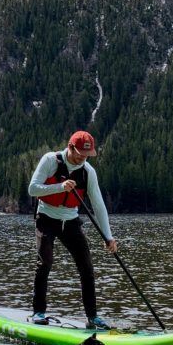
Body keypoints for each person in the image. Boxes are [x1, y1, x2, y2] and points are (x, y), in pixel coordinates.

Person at [27, 130, 117, 329]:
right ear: (70, 148)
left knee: (87, 267)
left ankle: (92, 317)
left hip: (71, 220)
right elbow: (33, 189)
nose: (82, 158)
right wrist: (60, 187)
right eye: (79, 154)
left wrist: (108, 236)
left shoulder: (88, 172)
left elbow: (98, 205)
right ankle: (38, 312)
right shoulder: (51, 160)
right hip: (46, 218)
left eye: (87, 155)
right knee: (45, 262)